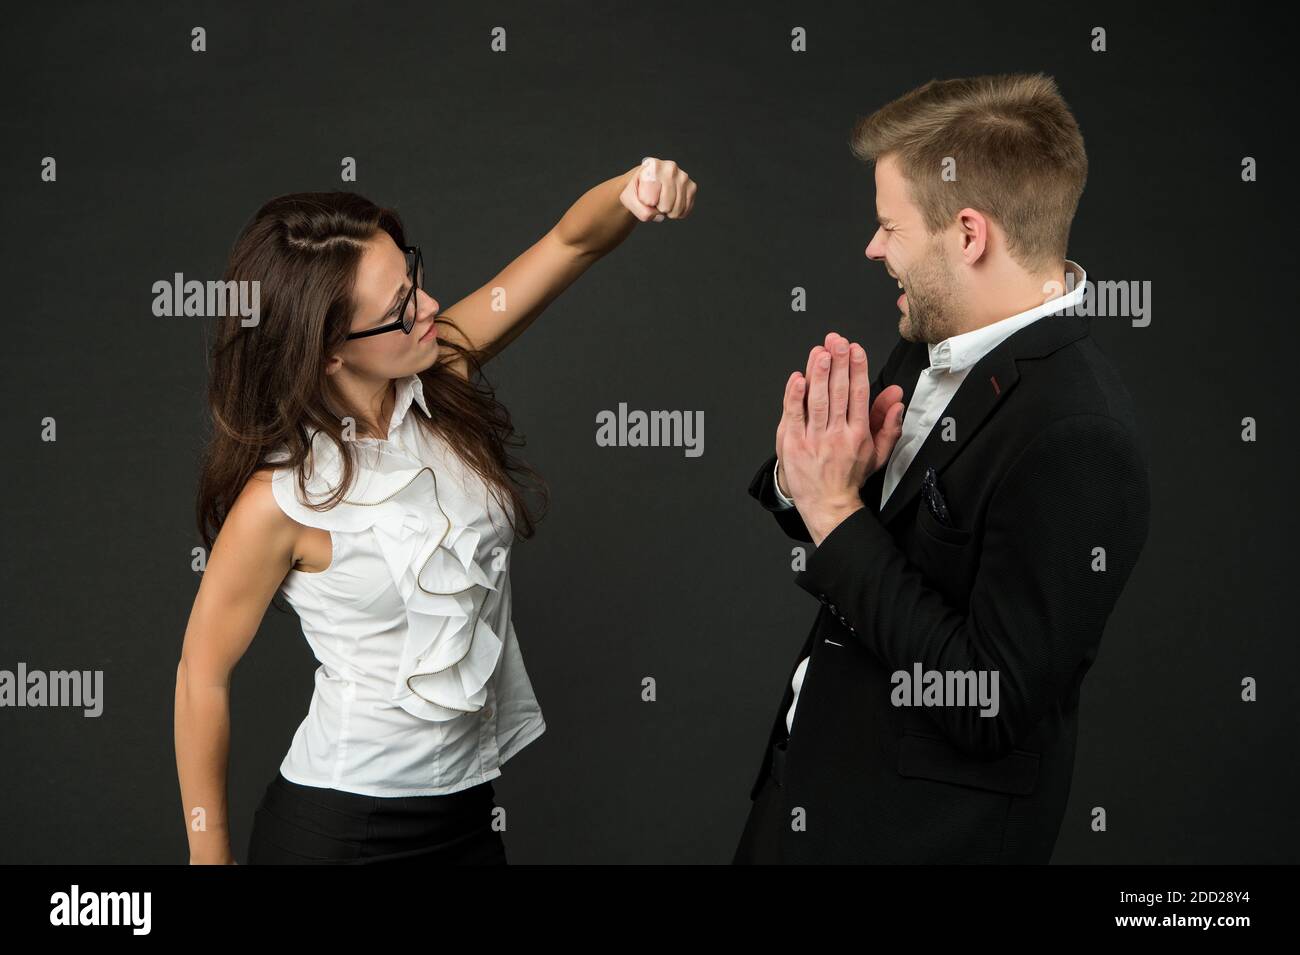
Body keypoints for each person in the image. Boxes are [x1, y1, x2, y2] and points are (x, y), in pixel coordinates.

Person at [175, 159, 697, 864]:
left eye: (412, 276)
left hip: (469, 818)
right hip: (339, 833)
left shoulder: (441, 367)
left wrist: (635, 190)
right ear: (328, 353)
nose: (429, 306)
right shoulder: (279, 501)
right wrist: (210, 862)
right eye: (398, 307)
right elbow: (201, 674)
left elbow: (570, 244)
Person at [734, 74, 1150, 863]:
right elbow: (873, 536)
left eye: (889, 226)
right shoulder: (936, 335)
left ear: (968, 233)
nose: (874, 246)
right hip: (799, 798)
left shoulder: (1081, 434)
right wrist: (809, 475)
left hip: (904, 841)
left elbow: (988, 699)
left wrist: (833, 513)